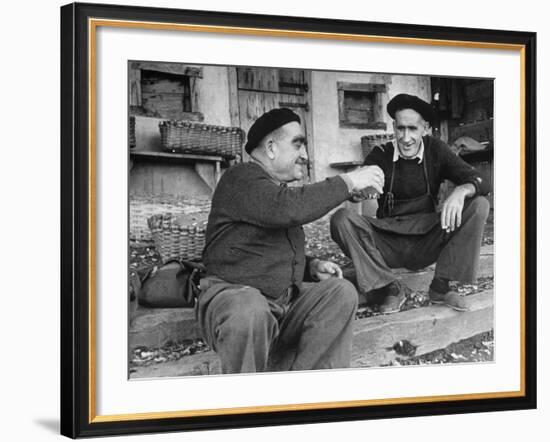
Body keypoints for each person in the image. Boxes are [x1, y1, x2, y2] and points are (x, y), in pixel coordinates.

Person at [197, 108, 384, 374]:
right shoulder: (240, 177)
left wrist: (311, 266)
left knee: (341, 293)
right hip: (234, 299)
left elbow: (264, 248)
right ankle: (246, 406)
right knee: (249, 308)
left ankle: (303, 394)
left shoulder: (274, 191)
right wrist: (348, 180)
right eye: (298, 144)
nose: (306, 156)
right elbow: (288, 209)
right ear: (271, 148)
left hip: (281, 304)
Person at [330, 93, 491, 314]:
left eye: (413, 129)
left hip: (428, 239)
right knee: (341, 219)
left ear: (424, 128)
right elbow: (357, 190)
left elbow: (483, 181)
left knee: (479, 204)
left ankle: (442, 286)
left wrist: (461, 191)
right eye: (400, 129)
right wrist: (357, 193)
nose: (405, 138)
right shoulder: (381, 154)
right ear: (394, 127)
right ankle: (389, 288)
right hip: (388, 242)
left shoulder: (436, 150)